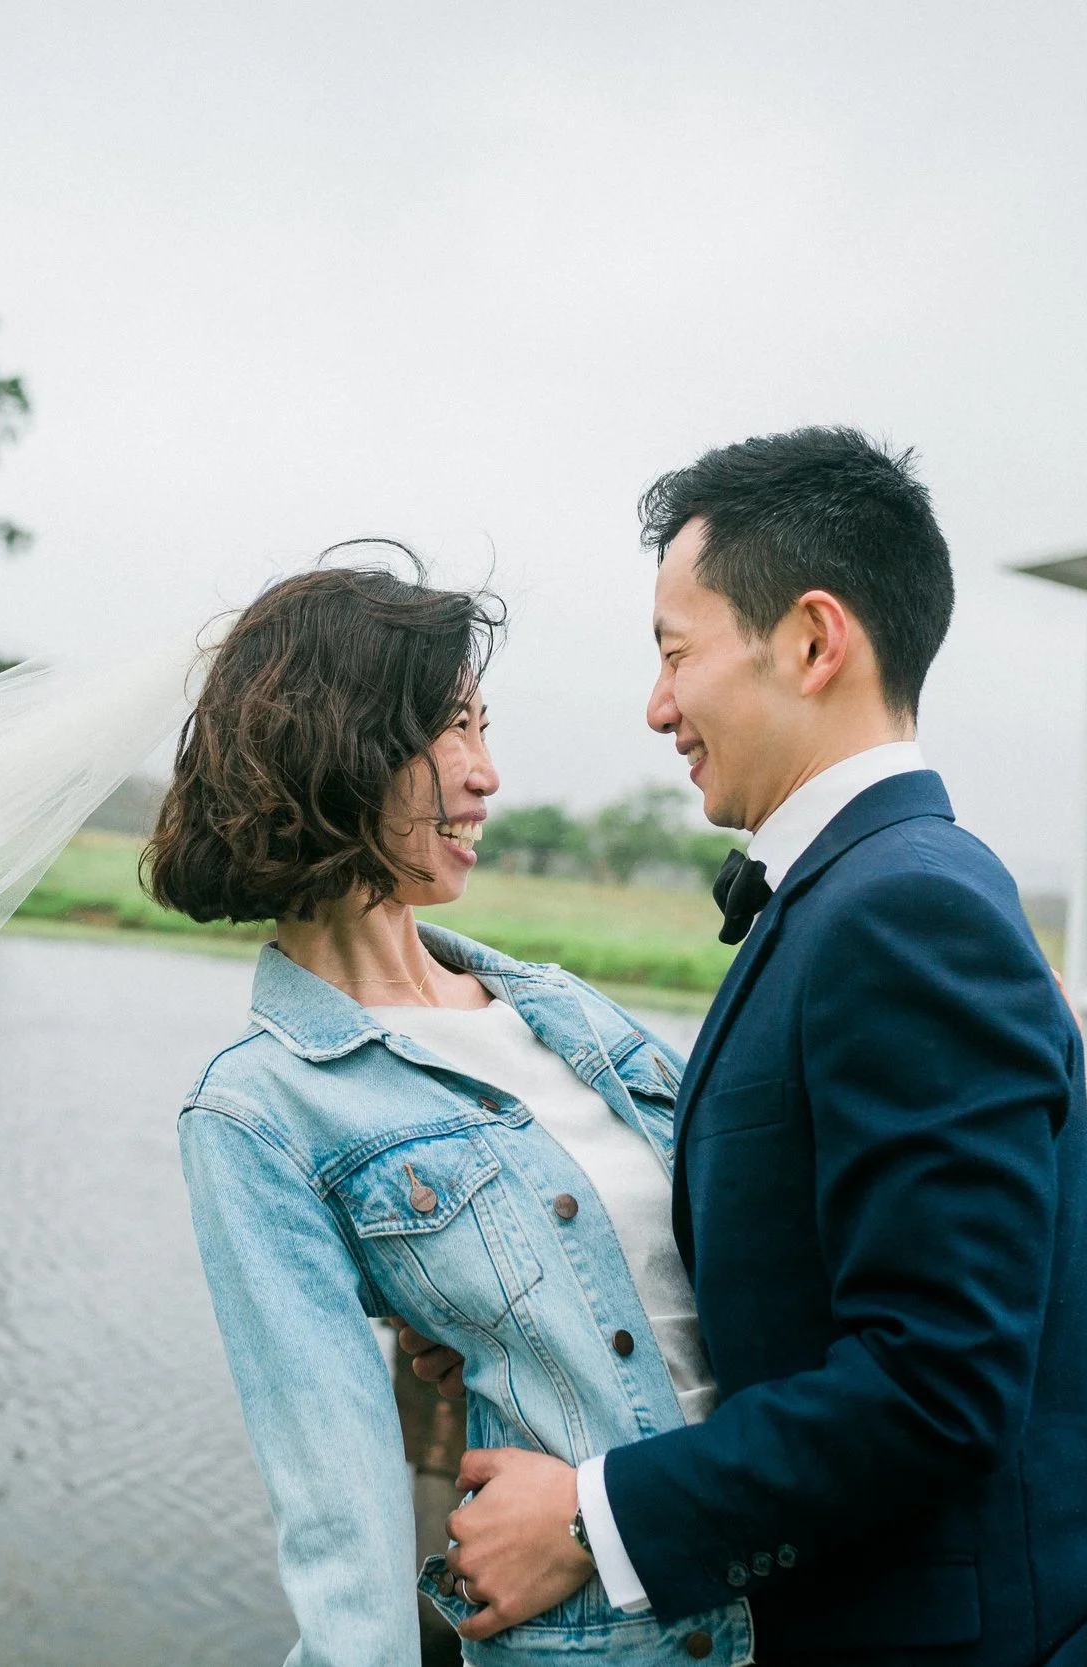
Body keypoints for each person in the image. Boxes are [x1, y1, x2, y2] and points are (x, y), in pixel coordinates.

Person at [430, 430, 1087, 1666]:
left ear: (814, 642)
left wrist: (597, 1520)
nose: (657, 704)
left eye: (675, 651)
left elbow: (937, 1386)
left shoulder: (903, 912)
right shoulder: (879, 888)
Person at [156, 560, 756, 1665]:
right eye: (449, 729)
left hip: (792, 1594)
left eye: (485, 725)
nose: (486, 774)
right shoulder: (254, 1111)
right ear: (339, 743)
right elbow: (338, 1508)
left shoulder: (561, 1005)